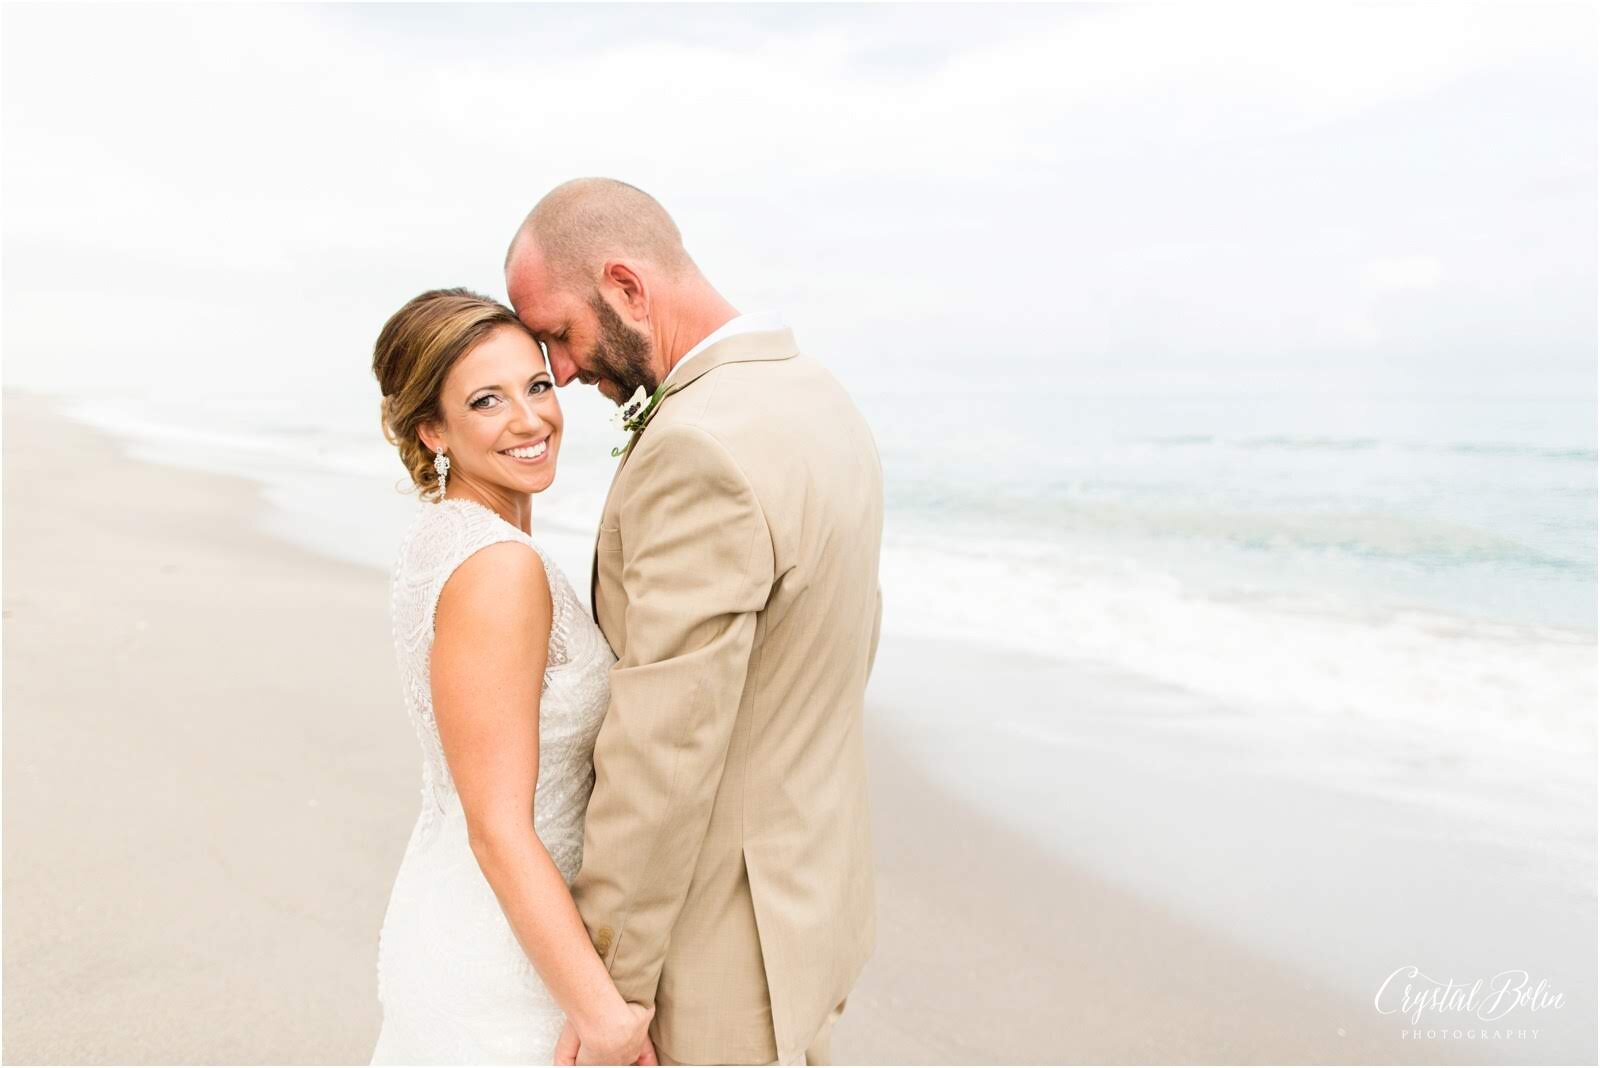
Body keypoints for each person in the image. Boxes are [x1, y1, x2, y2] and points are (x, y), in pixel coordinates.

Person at [505, 179, 884, 1066]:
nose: (558, 370)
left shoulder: (698, 446)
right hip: (813, 906)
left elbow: (665, 749)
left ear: (628, 287)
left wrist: (612, 995)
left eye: (559, 333)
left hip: (720, 957)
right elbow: (843, 649)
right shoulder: (821, 398)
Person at [368, 289, 656, 1065]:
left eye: (536, 385)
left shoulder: (449, 538)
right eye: (486, 401)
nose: (531, 420)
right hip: (507, 962)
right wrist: (603, 1017)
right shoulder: (499, 568)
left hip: (462, 910)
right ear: (433, 429)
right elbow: (498, 826)